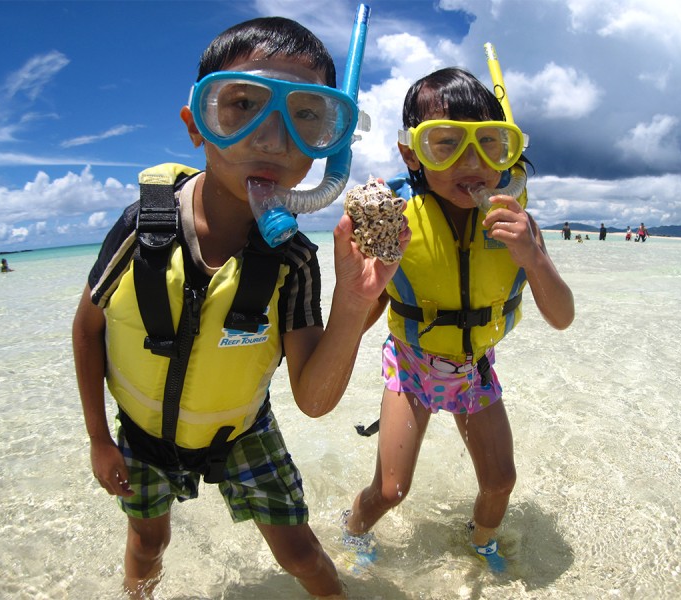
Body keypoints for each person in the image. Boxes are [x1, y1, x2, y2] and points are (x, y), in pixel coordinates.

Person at [72, 17, 408, 599]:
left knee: (301, 552)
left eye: (307, 116)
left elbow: (314, 399)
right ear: (197, 125)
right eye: (243, 105)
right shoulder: (141, 227)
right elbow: (87, 331)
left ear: (332, 143)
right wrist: (100, 439)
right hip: (143, 435)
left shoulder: (294, 261)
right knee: (148, 543)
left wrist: (355, 304)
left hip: (242, 431)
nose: (273, 140)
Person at [342, 67, 574, 574]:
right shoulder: (398, 220)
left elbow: (562, 317)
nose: (472, 163)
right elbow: (358, 322)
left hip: (474, 367)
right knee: (391, 489)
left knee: (500, 482)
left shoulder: (517, 223)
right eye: (446, 144)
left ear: (506, 150)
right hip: (411, 363)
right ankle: (352, 529)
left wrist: (533, 256)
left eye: (489, 144)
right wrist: (365, 283)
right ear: (411, 154)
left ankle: (482, 542)